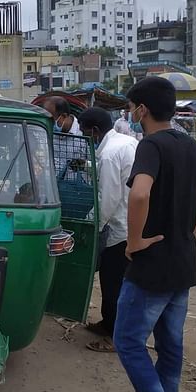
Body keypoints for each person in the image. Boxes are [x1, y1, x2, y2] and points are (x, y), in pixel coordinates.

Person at [113, 76, 196, 392]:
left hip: (154, 263)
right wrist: (191, 229)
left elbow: (140, 192)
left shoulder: (151, 146)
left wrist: (135, 239)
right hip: (182, 259)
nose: (130, 113)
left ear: (141, 110)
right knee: (170, 343)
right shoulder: (188, 144)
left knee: (127, 341)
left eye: (131, 107)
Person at [78, 107, 138, 353]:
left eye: (85, 133)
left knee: (113, 282)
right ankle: (107, 323)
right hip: (130, 220)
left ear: (94, 131)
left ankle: (115, 336)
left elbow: (110, 198)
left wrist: (92, 224)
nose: (85, 138)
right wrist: (86, 166)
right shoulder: (125, 142)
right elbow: (114, 175)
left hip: (120, 226)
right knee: (113, 280)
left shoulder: (110, 154)